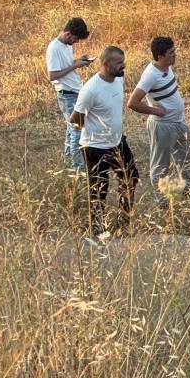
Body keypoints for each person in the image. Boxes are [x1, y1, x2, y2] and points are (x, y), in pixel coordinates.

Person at [71, 46, 138, 236]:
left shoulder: (118, 78)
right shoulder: (90, 90)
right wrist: (95, 130)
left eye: (123, 62)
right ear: (105, 64)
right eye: (119, 63)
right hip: (94, 148)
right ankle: (98, 232)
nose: (123, 66)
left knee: (130, 177)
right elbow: (75, 119)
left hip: (117, 143)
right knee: (99, 190)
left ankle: (124, 224)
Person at [127, 36, 190, 203]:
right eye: (171, 53)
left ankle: (188, 188)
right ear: (160, 56)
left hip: (179, 122)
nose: (175, 55)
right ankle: (162, 201)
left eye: (174, 51)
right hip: (163, 126)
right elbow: (132, 102)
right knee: (160, 165)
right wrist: (155, 111)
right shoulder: (150, 75)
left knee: (187, 156)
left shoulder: (167, 67)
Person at [46, 18, 93, 171]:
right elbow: (52, 75)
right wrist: (75, 65)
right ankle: (78, 168)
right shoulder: (54, 48)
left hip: (75, 90)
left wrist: (78, 61)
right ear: (67, 33)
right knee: (77, 131)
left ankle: (68, 163)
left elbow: (65, 65)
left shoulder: (66, 45)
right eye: (75, 38)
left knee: (71, 129)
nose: (76, 42)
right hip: (67, 94)